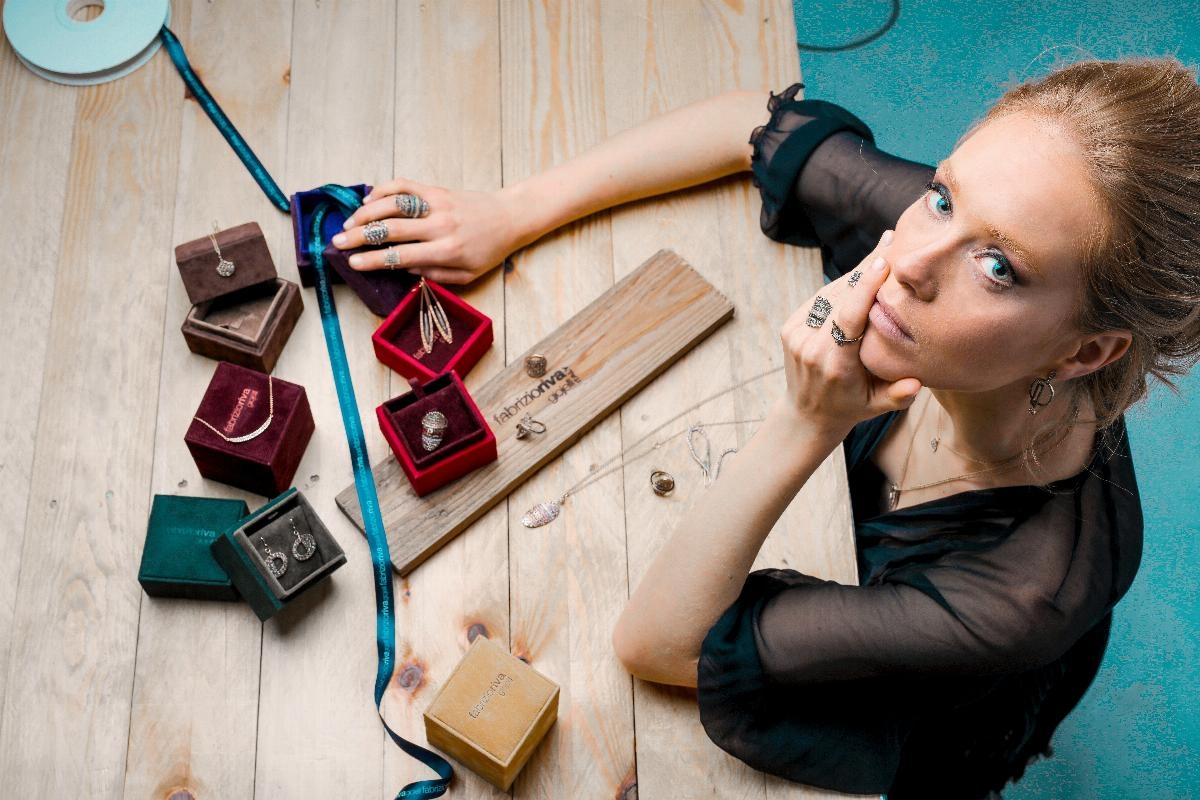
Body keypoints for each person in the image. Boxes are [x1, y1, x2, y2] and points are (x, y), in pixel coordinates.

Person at [333, 59, 1200, 797]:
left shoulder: (1022, 595)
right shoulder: (953, 240)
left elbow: (655, 645)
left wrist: (806, 420)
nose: (907, 261)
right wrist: (514, 208)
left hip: (945, 690)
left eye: (998, 267)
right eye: (941, 196)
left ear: (1086, 351)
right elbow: (750, 124)